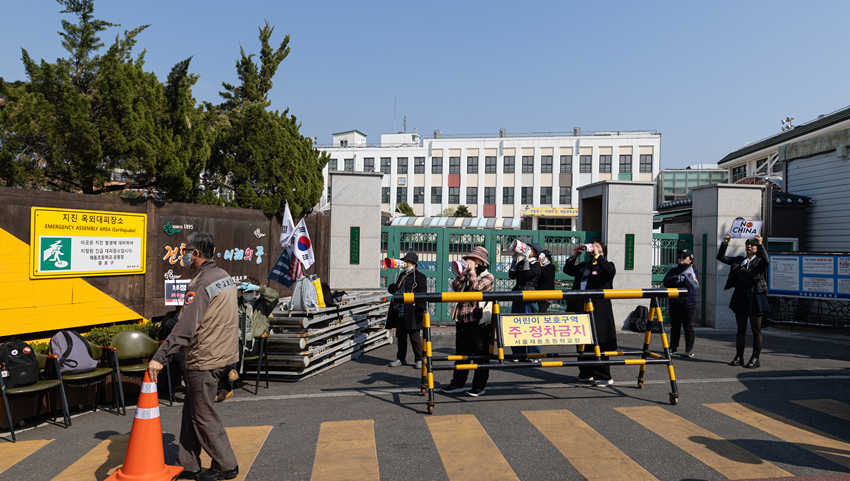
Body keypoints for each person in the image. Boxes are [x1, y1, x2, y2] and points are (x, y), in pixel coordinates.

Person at [148, 231, 240, 481]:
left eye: (186, 252)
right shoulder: (224, 276)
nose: (184, 256)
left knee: (202, 414)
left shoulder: (200, 283)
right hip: (223, 354)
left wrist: (160, 355)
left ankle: (226, 464)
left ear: (196, 253)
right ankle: (187, 463)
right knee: (191, 412)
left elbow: (186, 326)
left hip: (204, 358)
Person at [441, 247, 495, 397]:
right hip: (462, 319)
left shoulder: (488, 277)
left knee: (480, 355)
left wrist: (471, 272)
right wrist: (462, 273)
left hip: (478, 322)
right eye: (467, 259)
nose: (469, 261)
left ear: (481, 261)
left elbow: (477, 290)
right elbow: (455, 287)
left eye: (472, 259)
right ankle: (457, 383)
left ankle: (478, 386)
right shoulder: (467, 275)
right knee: (461, 354)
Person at [215, 277, 279, 402]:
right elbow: (220, 301)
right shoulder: (237, 302)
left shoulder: (263, 304)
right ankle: (230, 376)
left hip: (255, 343)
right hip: (237, 341)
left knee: (231, 350)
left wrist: (259, 288)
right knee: (227, 347)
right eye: (245, 291)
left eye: (250, 291)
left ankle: (227, 385)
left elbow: (274, 297)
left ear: (255, 292)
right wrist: (233, 289)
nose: (247, 294)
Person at [563, 241, 617, 386]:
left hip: (598, 310)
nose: (593, 248)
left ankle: (604, 376)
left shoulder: (606, 266)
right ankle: (586, 373)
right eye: (592, 246)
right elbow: (568, 270)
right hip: (580, 307)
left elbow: (610, 272)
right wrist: (575, 256)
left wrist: (598, 256)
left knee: (598, 341)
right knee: (582, 340)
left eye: (597, 247)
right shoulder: (584, 266)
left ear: (603, 252)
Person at [717, 233, 770, 368]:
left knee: (756, 329)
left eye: (752, 245)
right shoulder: (739, 260)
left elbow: (766, 261)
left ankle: (755, 358)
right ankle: (739, 356)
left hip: (755, 295)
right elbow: (721, 257)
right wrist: (725, 243)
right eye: (748, 244)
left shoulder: (760, 261)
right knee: (741, 328)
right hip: (740, 295)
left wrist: (761, 244)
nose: (749, 246)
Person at [386, 252, 428, 368]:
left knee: (414, 336)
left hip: (412, 311)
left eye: (408, 262)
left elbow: (422, 294)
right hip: (400, 309)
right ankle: (401, 358)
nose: (405, 264)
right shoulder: (401, 275)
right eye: (405, 261)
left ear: (414, 264)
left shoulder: (419, 276)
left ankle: (419, 359)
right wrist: (392, 288)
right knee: (400, 336)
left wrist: (420, 310)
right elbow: (393, 289)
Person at [509, 242, 543, 360]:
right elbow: (512, 275)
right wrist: (514, 260)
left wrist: (527, 260)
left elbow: (527, 275)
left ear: (536, 252)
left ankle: (534, 355)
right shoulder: (522, 263)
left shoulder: (536, 265)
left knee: (530, 326)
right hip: (517, 295)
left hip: (529, 296)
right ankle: (518, 354)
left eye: (531, 249)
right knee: (516, 326)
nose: (527, 250)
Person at [663, 249, 700, 358]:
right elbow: (666, 282)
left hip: (688, 303)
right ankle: (673, 347)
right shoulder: (673, 270)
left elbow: (688, 283)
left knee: (688, 327)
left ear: (690, 259)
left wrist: (675, 281)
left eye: (684, 257)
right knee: (675, 327)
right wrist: (677, 279)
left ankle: (689, 350)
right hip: (674, 303)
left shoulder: (692, 270)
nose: (681, 258)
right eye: (680, 256)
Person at [537, 249, 557, 314]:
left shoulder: (551, 267)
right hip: (539, 292)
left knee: (541, 311)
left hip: (548, 293)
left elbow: (546, 278)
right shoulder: (539, 266)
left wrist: (541, 267)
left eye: (544, 257)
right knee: (541, 311)